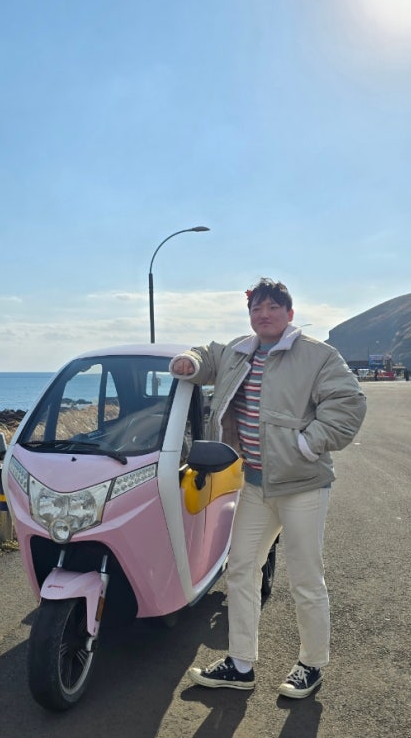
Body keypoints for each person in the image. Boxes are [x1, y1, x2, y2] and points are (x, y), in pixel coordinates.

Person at [170, 278, 366, 698]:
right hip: (256, 485)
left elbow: (349, 403)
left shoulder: (317, 355)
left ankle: (311, 664)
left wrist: (307, 444)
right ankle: (241, 665)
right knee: (241, 569)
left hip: (303, 486)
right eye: (257, 308)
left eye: (273, 307)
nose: (264, 315)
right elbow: (208, 355)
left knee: (306, 578)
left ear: (289, 314)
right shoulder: (239, 351)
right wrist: (188, 361)